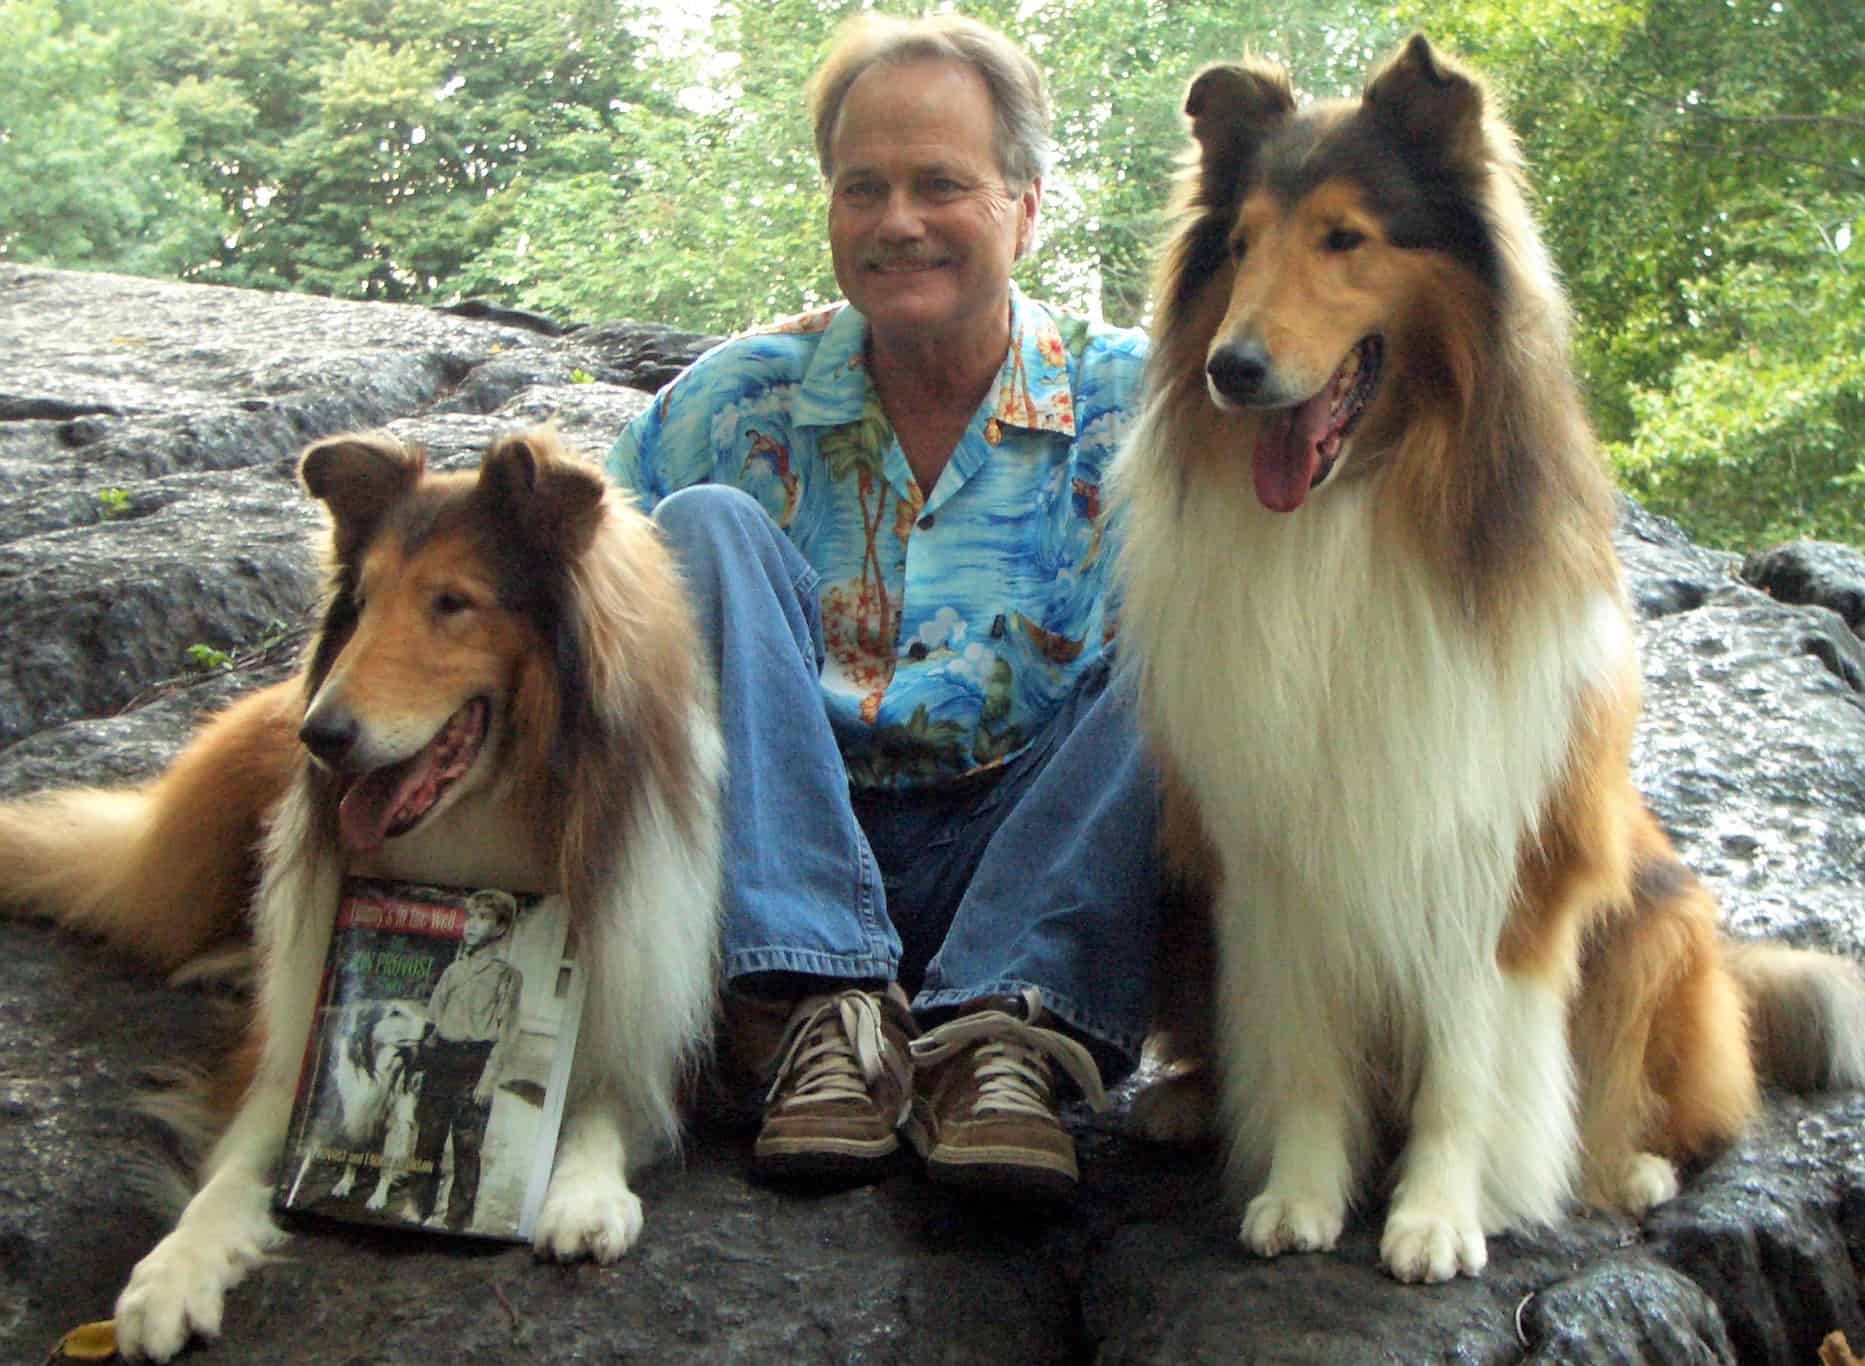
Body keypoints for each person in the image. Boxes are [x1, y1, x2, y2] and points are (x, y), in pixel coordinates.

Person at [607, 12, 1159, 1199]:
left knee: (1200, 638)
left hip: (1033, 855)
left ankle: (1003, 1038)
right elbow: (552, 598)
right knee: (692, 529)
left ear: (1025, 205)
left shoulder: (1142, 407)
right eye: (862, 188)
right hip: (779, 843)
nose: (897, 221)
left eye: (939, 184)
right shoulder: (730, 405)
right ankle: (814, 1012)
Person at [408, 889, 524, 1229]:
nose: (471, 926)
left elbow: (505, 1033)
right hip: (440, 1061)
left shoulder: (507, 977)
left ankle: (457, 1220)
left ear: (500, 928)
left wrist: (488, 1079)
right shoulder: (452, 973)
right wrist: (420, 1067)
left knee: (466, 1147)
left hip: (473, 1065)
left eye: (483, 918)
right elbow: (431, 1026)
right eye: (470, 917)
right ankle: (417, 1210)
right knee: (426, 1142)